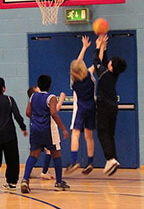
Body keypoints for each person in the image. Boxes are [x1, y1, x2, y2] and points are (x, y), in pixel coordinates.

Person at [21, 75, 70, 193]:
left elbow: (28, 112)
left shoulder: (33, 96)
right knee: (56, 154)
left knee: (33, 155)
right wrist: (63, 128)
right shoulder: (51, 97)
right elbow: (53, 113)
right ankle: (58, 182)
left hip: (35, 129)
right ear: (49, 85)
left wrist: (37, 119)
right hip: (48, 130)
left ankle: (25, 180)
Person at [93, 35, 127, 176]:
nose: (109, 62)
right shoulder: (113, 73)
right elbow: (104, 61)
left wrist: (97, 46)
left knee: (102, 133)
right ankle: (113, 159)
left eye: (111, 62)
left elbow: (97, 62)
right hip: (113, 107)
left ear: (111, 66)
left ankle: (109, 158)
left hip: (104, 107)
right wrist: (104, 47)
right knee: (110, 134)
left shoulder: (104, 73)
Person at [0, 77, 28, 191]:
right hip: (9, 135)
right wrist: (23, 127)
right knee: (12, 159)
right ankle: (12, 182)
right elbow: (17, 115)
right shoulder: (9, 99)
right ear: (3, 88)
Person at [64, 36, 96, 175]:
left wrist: (83, 48)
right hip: (92, 108)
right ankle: (90, 162)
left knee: (76, 134)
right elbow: (96, 63)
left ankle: (74, 161)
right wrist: (99, 47)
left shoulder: (73, 81)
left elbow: (77, 65)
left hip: (81, 108)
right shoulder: (89, 74)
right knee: (89, 136)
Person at [27, 86, 66, 180]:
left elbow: (28, 113)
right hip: (47, 128)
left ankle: (27, 177)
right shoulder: (45, 98)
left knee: (34, 153)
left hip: (36, 128)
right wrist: (61, 99)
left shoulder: (34, 99)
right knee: (55, 152)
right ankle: (56, 179)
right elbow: (54, 111)